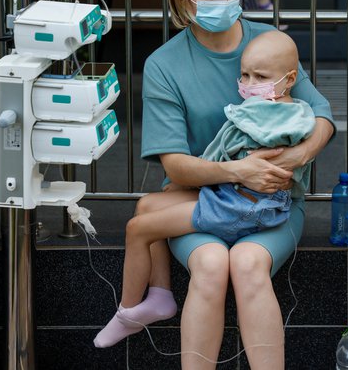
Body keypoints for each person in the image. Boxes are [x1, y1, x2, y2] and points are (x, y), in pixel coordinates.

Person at [99, 0, 334, 369]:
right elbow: (173, 164)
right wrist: (241, 171)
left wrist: (289, 163)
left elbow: (322, 117)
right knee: (208, 263)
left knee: (247, 264)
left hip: (276, 201)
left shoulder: (269, 42)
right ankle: (158, 302)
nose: (224, 2)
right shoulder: (164, 64)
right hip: (201, 194)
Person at [93, 30, 316, 348]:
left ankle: (127, 311)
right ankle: (159, 295)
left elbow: (216, 154)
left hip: (236, 206)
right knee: (148, 204)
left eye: (260, 77)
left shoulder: (250, 115)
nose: (249, 85)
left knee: (138, 228)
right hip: (260, 203)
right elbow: (310, 138)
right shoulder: (301, 115)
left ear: (290, 78)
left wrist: (185, 180)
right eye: (245, 76)